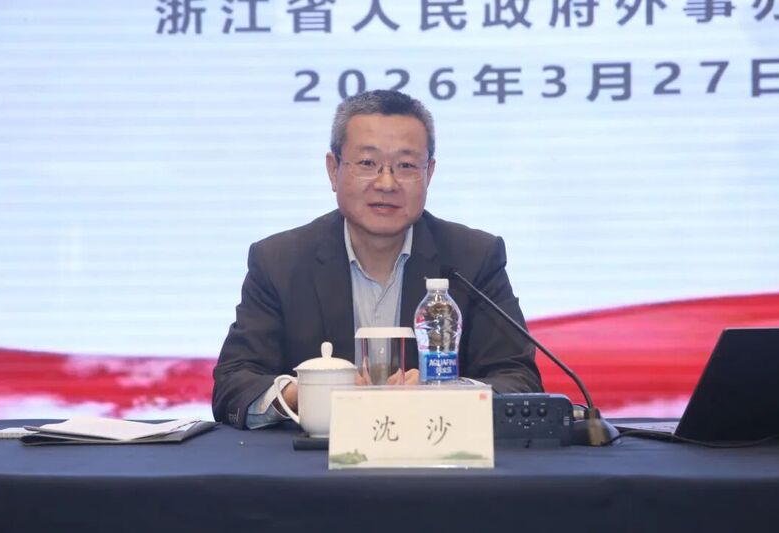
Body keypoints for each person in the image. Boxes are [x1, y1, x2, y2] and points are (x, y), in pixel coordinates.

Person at [212, 90, 542, 429]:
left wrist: (446, 393)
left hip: (439, 454)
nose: (386, 183)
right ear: (333, 170)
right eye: (368, 163)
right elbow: (234, 384)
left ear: (428, 173)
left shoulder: (473, 258)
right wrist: (305, 393)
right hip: (316, 459)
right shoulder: (279, 262)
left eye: (406, 166)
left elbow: (519, 381)